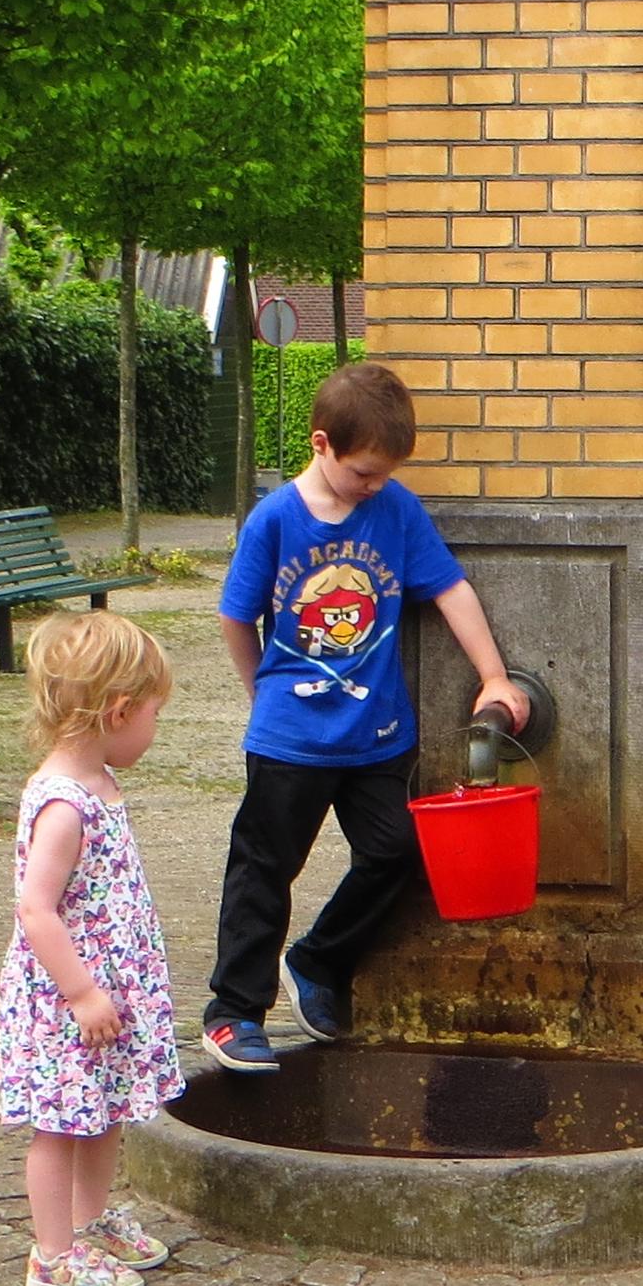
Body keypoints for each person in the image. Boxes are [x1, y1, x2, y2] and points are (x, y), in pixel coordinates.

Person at [207, 359, 527, 1070]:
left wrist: (494, 676)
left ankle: (318, 962)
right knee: (263, 870)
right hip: (289, 738)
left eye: (384, 473)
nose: (375, 485)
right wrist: (261, 694)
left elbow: (451, 590)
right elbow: (236, 617)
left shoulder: (396, 509)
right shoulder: (274, 521)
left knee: (398, 853)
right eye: (363, 472)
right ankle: (234, 1012)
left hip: (377, 736)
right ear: (322, 445)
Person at [0, 610, 187, 1286]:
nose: (155, 729)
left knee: (103, 1108)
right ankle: (52, 1256)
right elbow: (35, 909)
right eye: (155, 714)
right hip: (67, 998)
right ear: (118, 711)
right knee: (58, 1124)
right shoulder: (64, 806)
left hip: (110, 990)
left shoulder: (101, 785)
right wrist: (81, 992)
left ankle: (89, 1219)